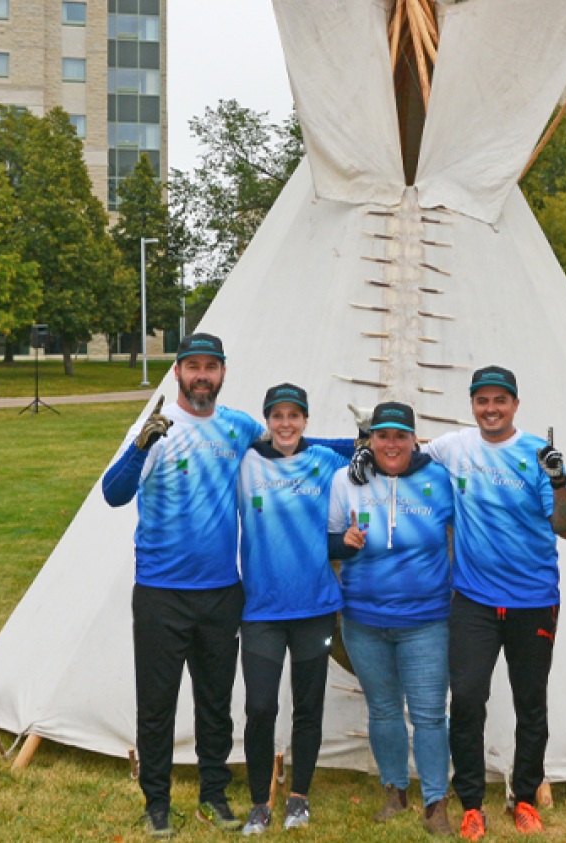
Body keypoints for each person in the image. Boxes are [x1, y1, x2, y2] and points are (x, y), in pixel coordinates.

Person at [355, 367, 566, 839]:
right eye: (482, 401)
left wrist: (559, 482)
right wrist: (360, 451)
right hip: (474, 600)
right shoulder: (455, 448)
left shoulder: (537, 453)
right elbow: (400, 451)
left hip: (533, 599)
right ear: (473, 404)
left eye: (500, 400)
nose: (491, 409)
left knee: (530, 702)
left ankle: (524, 798)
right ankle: (472, 803)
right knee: (469, 701)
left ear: (515, 404)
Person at [99, 333, 264, 839]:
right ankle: (157, 802)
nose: (201, 376)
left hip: (220, 591)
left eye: (210, 367)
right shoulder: (158, 425)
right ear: (177, 372)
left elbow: (293, 448)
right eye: (192, 366)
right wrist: (139, 445)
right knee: (157, 704)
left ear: (222, 374)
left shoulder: (238, 427)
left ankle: (213, 795)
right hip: (160, 592)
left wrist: (369, 444)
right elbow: (112, 494)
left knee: (216, 702)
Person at [328, 402, 458, 835]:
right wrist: (342, 544)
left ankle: (436, 800)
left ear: (414, 439)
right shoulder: (346, 480)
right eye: (382, 435)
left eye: (400, 436)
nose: (391, 444)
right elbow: (329, 544)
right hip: (363, 619)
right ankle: (394, 790)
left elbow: (461, 535)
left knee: (428, 714)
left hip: (426, 620)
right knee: (383, 710)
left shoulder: (439, 478)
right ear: (369, 440)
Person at [234, 384, 350, 835]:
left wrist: (360, 437)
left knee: (308, 705)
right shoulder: (245, 463)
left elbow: (367, 462)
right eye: (277, 415)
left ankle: (298, 797)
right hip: (261, 608)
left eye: (294, 415)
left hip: (315, 607)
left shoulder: (323, 461)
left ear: (305, 420)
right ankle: (260, 801)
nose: (286, 424)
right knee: (260, 707)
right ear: (267, 419)